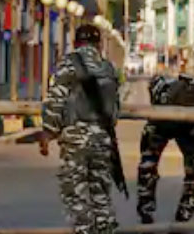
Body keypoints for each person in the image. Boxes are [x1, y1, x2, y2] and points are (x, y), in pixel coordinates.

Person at [40, 24, 121, 234]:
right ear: (99, 44)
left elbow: (56, 99)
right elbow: (115, 108)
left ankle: (84, 231)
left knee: (75, 193)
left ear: (76, 43)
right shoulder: (108, 68)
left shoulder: (68, 64)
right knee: (101, 194)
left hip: (76, 138)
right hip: (103, 138)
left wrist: (48, 132)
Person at [137, 74, 194, 227]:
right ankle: (147, 212)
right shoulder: (161, 107)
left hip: (185, 120)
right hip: (163, 116)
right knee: (147, 166)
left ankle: (179, 219)